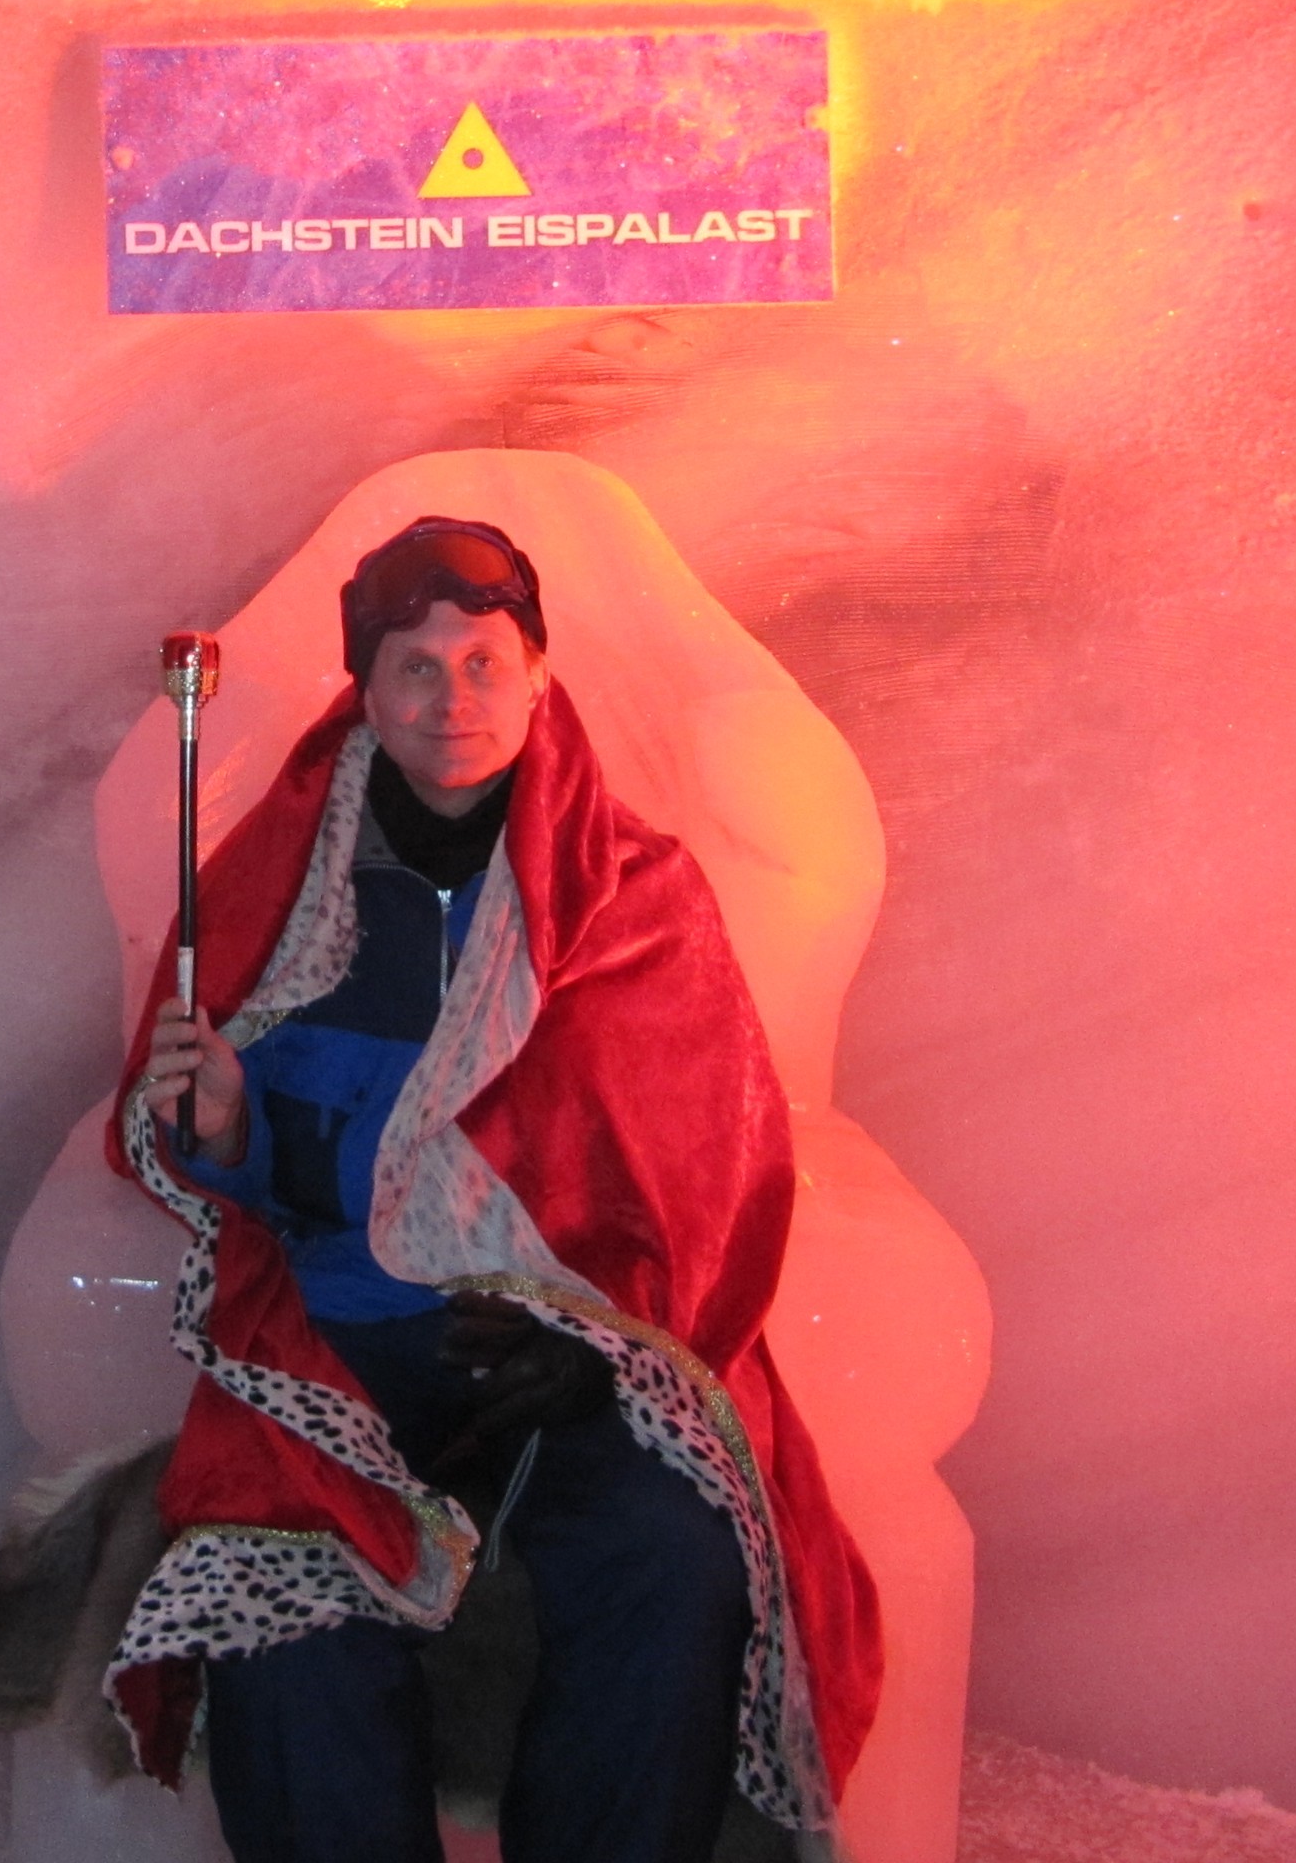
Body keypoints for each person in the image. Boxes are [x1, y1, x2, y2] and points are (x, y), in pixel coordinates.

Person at [102, 516, 882, 1863]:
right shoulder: (279, 895)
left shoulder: (640, 899)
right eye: (414, 666)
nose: (451, 699)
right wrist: (226, 1127)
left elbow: (714, 1172)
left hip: (559, 1362)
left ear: (536, 676)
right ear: (365, 686)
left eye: (483, 663)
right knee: (286, 1625)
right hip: (338, 1350)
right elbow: (215, 1159)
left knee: (670, 1562)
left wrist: (599, 1352)